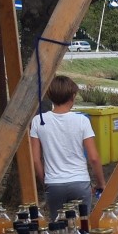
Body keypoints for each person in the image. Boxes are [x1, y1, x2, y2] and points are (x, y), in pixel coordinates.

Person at [29, 75, 106, 212]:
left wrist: (44, 181)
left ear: (50, 96)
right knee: (83, 223)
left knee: (58, 223)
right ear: (73, 96)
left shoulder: (38, 120)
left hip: (54, 183)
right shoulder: (82, 121)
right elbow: (93, 158)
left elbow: (35, 159)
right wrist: (101, 183)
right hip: (80, 182)